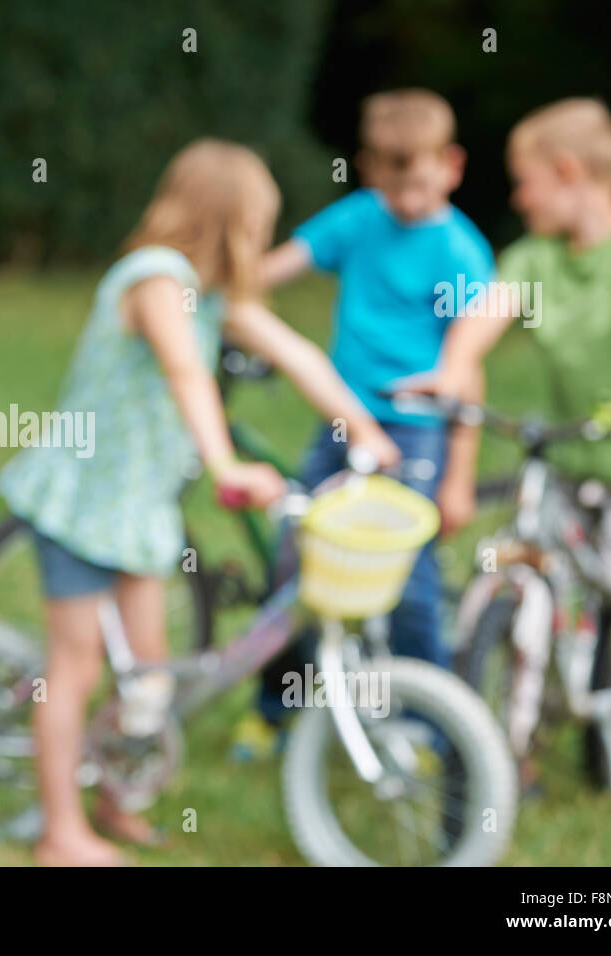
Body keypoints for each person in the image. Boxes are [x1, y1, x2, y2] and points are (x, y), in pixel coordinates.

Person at [0, 138, 401, 866]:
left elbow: (298, 353)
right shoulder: (156, 277)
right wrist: (224, 463)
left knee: (149, 672)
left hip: (137, 507)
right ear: (236, 222)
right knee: (77, 666)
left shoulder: (213, 297)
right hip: (85, 501)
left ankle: (116, 793)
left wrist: (367, 431)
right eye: (261, 222)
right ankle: (60, 832)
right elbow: (185, 371)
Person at [425, 97, 611, 825]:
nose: (518, 198)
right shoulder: (535, 259)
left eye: (525, 182)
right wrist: (453, 370)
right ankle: (515, 751)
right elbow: (489, 311)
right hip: (570, 459)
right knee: (535, 583)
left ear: (568, 172)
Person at [236, 89, 494, 754]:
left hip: (414, 431)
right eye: (391, 182)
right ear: (369, 170)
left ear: (452, 166)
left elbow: (470, 367)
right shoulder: (359, 219)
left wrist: (459, 474)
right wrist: (226, 288)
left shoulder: (462, 253)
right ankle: (275, 707)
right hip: (343, 424)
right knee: (300, 557)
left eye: (419, 181)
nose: (405, 200)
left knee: (408, 576)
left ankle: (430, 725)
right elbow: (277, 268)